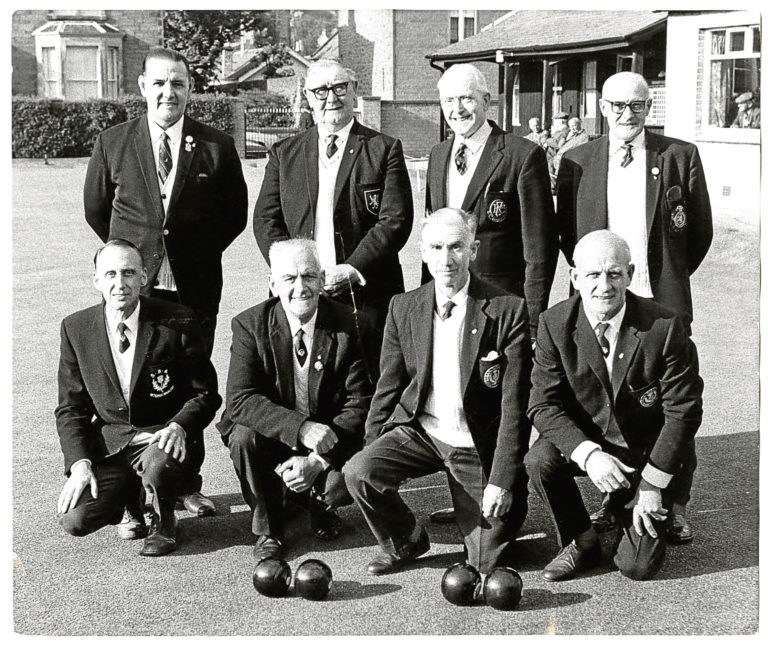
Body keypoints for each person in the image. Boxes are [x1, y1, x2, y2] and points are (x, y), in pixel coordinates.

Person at [83, 47, 248, 517]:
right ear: (142, 87)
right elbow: (98, 211)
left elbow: (234, 214)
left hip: (194, 290)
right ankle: (135, 493)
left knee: (190, 385)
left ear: (190, 89)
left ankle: (184, 482)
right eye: (158, 83)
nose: (167, 93)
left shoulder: (216, 145)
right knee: (131, 384)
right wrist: (137, 260)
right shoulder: (113, 142)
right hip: (137, 288)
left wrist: (192, 251)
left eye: (177, 83)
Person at [556, 71, 713, 542]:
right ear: (602, 108)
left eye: (637, 106)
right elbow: (569, 236)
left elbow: (699, 233)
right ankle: (615, 495)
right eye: (617, 106)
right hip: (602, 295)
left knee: (674, 406)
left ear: (649, 108)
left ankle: (675, 502)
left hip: (659, 300)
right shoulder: (576, 161)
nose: (627, 115)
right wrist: (598, 281)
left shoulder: (678, 156)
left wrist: (666, 280)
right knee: (608, 396)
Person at [344, 208, 532, 578]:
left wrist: (502, 480)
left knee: (484, 565)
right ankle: (407, 541)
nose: (446, 259)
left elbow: (514, 409)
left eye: (456, 247)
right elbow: (388, 387)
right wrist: (371, 448)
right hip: (423, 432)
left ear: (474, 249)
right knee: (359, 472)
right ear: (423, 251)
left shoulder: (508, 310)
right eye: (436, 247)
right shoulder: (404, 306)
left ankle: (498, 516)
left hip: (474, 445)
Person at [525, 231, 703, 581]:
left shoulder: (664, 326)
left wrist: (652, 484)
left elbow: (683, 411)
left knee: (637, 566)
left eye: (614, 274)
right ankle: (582, 540)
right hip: (595, 443)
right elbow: (542, 404)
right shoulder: (554, 323)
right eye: (592, 274)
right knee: (539, 459)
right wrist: (588, 454)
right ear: (575, 277)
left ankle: (660, 502)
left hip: (646, 454)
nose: (603, 286)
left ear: (630, 274)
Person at [55, 240, 221, 557]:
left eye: (129, 273)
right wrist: (79, 464)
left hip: (162, 439)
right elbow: (70, 408)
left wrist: (179, 426)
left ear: (144, 277)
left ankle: (164, 520)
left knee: (160, 463)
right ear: (96, 280)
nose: (120, 284)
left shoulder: (178, 320)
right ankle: (128, 502)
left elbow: (205, 393)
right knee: (75, 518)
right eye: (111, 274)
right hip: (112, 443)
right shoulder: (75, 329)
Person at [216, 239, 374, 562]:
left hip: (328, 438)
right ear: (272, 284)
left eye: (309, 276)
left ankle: (317, 503)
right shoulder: (248, 325)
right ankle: (268, 528)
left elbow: (361, 402)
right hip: (273, 435)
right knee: (243, 436)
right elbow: (240, 400)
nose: (300, 288)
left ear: (322, 279)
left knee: (340, 484)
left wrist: (317, 462)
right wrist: (300, 429)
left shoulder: (349, 324)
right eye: (289, 279)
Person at [253, 59, 414, 336]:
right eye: (320, 91)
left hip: (367, 295)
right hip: (301, 294)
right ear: (308, 97)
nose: (331, 98)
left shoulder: (384, 149)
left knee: (369, 376)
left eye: (340, 87)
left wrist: (353, 268)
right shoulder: (284, 153)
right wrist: (294, 273)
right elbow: (266, 219)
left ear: (354, 90)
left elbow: (395, 220)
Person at [425, 63, 557, 340]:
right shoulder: (438, 156)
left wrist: (532, 323)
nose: (457, 109)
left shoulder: (521, 155)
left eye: (466, 99)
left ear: (486, 101)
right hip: (445, 301)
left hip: (501, 306)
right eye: (448, 100)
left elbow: (540, 249)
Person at [545, 111, 570, 191]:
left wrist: (547, 141)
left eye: (555, 122)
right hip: (553, 155)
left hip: (556, 155)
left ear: (561, 122)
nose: (554, 124)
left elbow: (559, 144)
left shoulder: (564, 131)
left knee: (549, 165)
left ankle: (553, 187)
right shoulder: (559, 131)